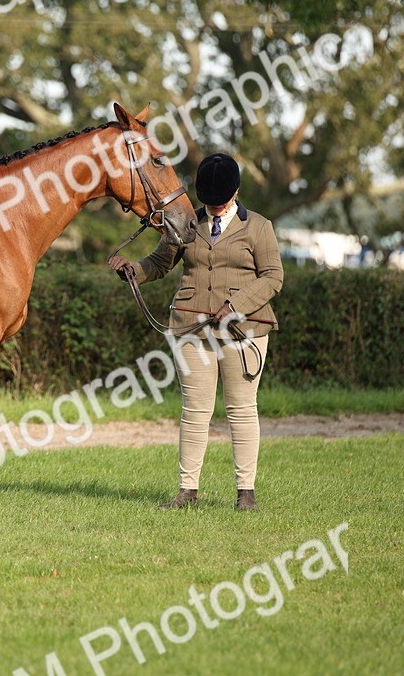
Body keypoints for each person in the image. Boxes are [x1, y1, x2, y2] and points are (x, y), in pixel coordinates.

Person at [107, 153, 283, 511]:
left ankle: (245, 492)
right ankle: (188, 491)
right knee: (195, 410)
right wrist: (133, 271)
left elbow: (273, 277)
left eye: (221, 203)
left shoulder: (259, 227)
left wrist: (236, 306)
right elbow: (160, 262)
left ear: (236, 192)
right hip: (191, 327)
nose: (215, 210)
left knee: (242, 409)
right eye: (209, 203)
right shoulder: (186, 223)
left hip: (244, 329)